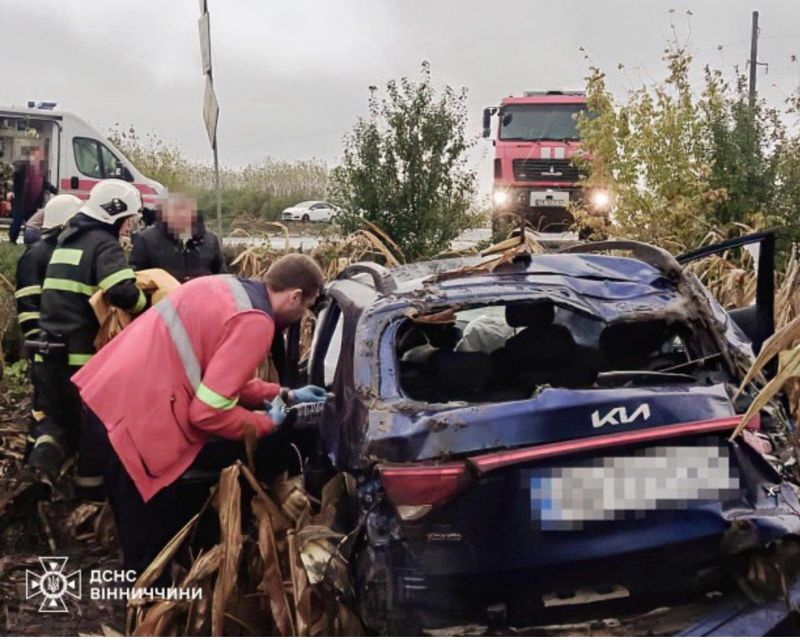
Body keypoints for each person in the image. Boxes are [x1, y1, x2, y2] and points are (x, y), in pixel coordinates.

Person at [72, 254, 327, 572]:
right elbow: (207, 412)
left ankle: (146, 602)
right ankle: (147, 609)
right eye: (304, 308)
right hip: (137, 426)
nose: (300, 316)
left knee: (140, 533)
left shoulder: (224, 287)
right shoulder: (257, 322)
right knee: (149, 553)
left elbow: (224, 378)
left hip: (109, 398)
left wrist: (283, 393)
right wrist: (263, 424)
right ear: (295, 296)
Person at [26, 179, 147, 491]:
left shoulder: (67, 241)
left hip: (47, 352)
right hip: (80, 358)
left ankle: (40, 471)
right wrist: (145, 304)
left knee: (55, 423)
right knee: (94, 425)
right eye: (128, 219)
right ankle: (89, 491)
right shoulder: (102, 243)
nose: (128, 227)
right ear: (114, 214)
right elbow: (122, 291)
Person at [130, 193, 225, 282]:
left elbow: (222, 275)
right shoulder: (146, 240)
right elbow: (137, 277)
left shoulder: (210, 240)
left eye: (186, 210)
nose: (182, 215)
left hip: (201, 297)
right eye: (176, 210)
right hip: (164, 298)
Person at [9, 146, 57, 243]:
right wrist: (10, 191)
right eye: (36, 154)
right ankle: (12, 240)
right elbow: (12, 178)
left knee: (30, 222)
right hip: (21, 199)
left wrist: (55, 191)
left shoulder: (39, 169)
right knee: (17, 221)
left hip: (33, 201)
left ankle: (28, 240)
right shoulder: (21, 166)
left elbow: (44, 183)